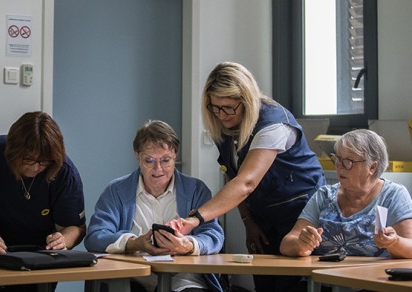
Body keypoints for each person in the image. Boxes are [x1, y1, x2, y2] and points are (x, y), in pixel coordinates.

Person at [170, 62, 326, 292]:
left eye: (229, 107)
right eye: (215, 107)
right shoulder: (224, 126)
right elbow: (233, 176)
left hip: (300, 214)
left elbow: (247, 182)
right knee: (264, 282)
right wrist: (248, 221)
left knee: (291, 285)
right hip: (263, 215)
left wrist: (195, 219)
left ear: (247, 101)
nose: (222, 114)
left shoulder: (273, 123)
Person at [85, 120, 225, 292]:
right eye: (149, 160)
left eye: (166, 160)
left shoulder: (196, 190)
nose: (158, 169)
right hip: (131, 277)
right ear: (137, 155)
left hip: (184, 279)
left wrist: (187, 245)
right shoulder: (117, 191)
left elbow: (213, 234)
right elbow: (95, 237)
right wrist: (135, 243)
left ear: (176, 155)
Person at [0, 111, 86, 292]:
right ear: (13, 151)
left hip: (35, 258)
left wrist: (62, 241)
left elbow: (76, 227)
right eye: (28, 159)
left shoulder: (64, 172)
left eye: (44, 162)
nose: (36, 167)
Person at [280, 129, 412, 259]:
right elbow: (286, 244)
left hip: (371, 278)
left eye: (348, 162)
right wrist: (301, 244)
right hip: (323, 277)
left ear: (372, 167)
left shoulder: (393, 195)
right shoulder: (325, 195)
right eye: (337, 159)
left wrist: (395, 242)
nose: (339, 166)